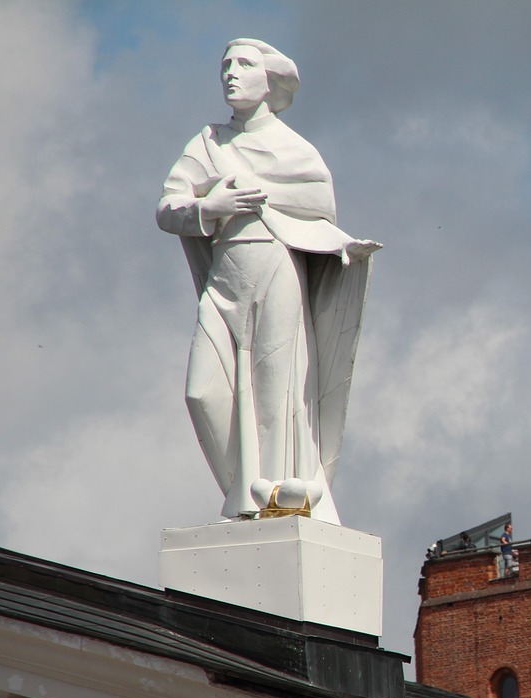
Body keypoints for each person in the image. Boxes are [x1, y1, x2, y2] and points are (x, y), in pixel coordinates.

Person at [157, 38, 379, 523]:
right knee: (203, 393)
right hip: (225, 277)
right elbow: (168, 208)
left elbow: (319, 206)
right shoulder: (208, 144)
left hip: (276, 267)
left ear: (271, 79)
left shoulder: (293, 148)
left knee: (277, 390)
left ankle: (278, 496)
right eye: (225, 65)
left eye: (243, 64)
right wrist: (207, 208)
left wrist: (343, 245)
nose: (231, 74)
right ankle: (243, 490)